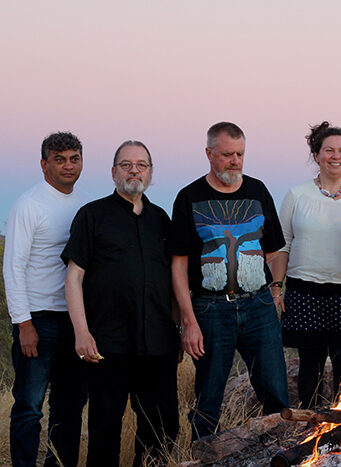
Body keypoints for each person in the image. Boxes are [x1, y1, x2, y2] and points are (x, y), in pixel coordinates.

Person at [62, 141, 180, 466]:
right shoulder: (92, 216)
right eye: (126, 164)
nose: (134, 170)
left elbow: (173, 280)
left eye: (141, 165)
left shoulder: (162, 220)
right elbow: (73, 278)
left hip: (158, 346)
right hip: (107, 345)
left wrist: (177, 328)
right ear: (113, 172)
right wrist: (82, 333)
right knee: (104, 431)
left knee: (159, 431)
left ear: (151, 173)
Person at [171, 122, 289, 439]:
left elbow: (275, 249)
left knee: (276, 394)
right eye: (226, 154)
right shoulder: (189, 197)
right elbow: (178, 265)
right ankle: (202, 456)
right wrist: (188, 321)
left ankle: (279, 454)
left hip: (259, 307)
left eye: (239, 154)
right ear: (209, 153)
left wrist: (274, 290)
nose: (234, 161)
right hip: (210, 312)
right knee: (208, 399)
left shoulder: (258, 191)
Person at [269, 122, 341, 408]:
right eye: (329, 150)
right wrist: (276, 288)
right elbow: (283, 245)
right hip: (305, 292)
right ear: (316, 154)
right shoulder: (297, 195)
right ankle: (310, 430)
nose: (336, 156)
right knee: (309, 366)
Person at [3, 132, 90, 467]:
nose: (68, 166)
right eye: (59, 159)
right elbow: (13, 267)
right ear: (44, 164)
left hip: (76, 320)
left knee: (70, 405)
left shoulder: (87, 203)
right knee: (29, 405)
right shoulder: (29, 204)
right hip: (38, 318)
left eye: (74, 158)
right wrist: (23, 323)